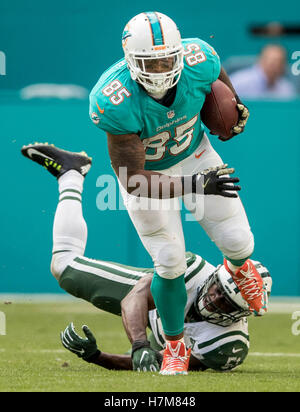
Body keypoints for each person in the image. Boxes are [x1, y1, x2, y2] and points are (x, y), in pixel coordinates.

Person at [88, 11, 266, 375]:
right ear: (131, 61)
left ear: (179, 52)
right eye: (150, 63)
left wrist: (232, 106)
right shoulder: (114, 99)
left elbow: (217, 80)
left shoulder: (200, 58)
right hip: (147, 175)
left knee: (239, 242)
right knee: (169, 263)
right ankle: (174, 346)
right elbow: (133, 179)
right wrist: (195, 185)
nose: (161, 69)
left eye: (168, 58)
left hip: (195, 154)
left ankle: (240, 268)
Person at [20, 144, 271, 372]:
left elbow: (162, 362)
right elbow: (137, 295)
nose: (215, 298)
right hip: (151, 303)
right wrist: (139, 344)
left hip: (162, 337)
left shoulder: (228, 345)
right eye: (219, 289)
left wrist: (98, 356)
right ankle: (71, 174)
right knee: (64, 269)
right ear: (216, 275)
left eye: (226, 302)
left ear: (241, 314)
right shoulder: (195, 272)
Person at [230, 44, 296, 99]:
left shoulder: (287, 89)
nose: (275, 66)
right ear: (260, 60)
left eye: (279, 62)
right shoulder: (238, 82)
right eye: (272, 61)